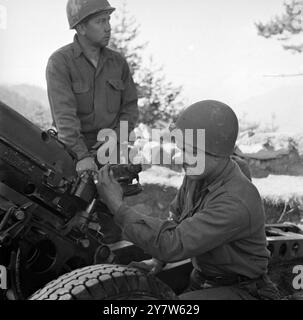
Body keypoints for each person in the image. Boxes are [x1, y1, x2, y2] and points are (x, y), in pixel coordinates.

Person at [95, 100, 281, 300]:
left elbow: (173, 243)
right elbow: (176, 219)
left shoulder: (235, 199)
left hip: (244, 290)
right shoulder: (198, 173)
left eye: (191, 152)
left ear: (218, 153)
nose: (181, 158)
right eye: (181, 149)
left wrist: (117, 206)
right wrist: (157, 260)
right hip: (202, 279)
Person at [46, 0, 139, 172]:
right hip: (73, 154)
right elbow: (64, 118)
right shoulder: (60, 62)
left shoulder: (118, 63)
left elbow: (130, 108)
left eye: (108, 20)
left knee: (114, 197)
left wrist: (116, 139)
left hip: (113, 150)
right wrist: (81, 156)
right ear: (81, 28)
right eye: (100, 21)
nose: (108, 27)